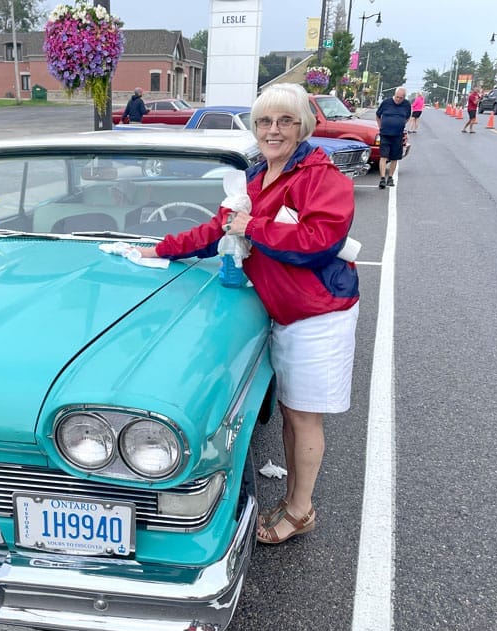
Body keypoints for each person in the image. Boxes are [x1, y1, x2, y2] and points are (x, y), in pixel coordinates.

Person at [137, 83, 360, 545]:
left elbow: (320, 243)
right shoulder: (257, 180)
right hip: (284, 312)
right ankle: (296, 499)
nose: (272, 130)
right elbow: (215, 230)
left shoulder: (322, 177)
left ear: (304, 126)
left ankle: (301, 510)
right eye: (263, 121)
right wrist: (159, 248)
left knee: (304, 418)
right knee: (290, 412)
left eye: (284, 121)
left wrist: (252, 226)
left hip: (318, 314)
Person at [376, 87, 411, 188]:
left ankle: (390, 178)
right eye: (397, 97)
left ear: (404, 97)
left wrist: (401, 124)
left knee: (394, 157)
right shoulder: (386, 103)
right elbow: (378, 115)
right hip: (385, 134)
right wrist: (380, 127)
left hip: (398, 135)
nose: (398, 99)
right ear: (394, 95)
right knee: (383, 156)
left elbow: (408, 117)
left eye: (401, 98)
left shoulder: (406, 105)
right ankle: (382, 179)